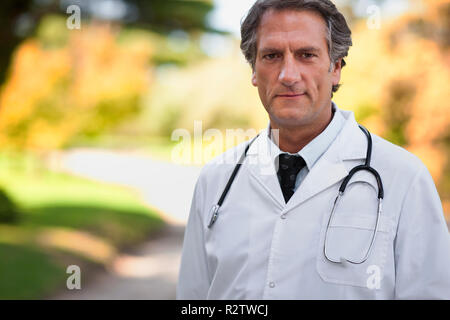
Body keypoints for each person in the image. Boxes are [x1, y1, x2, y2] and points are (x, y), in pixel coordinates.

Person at [176, 0, 450, 299]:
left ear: (335, 68)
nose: (288, 75)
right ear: (254, 70)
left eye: (306, 55)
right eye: (271, 55)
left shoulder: (404, 178)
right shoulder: (216, 180)